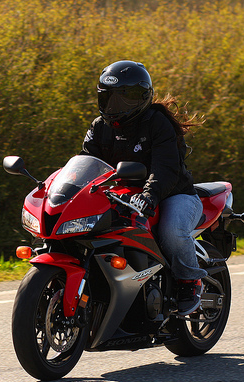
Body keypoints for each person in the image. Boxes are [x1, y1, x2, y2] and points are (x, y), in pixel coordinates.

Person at [80, 60, 207, 316]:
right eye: (109, 97)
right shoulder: (99, 127)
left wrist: (149, 196)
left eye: (123, 98)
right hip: (123, 196)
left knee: (171, 232)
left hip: (173, 194)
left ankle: (189, 282)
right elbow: (84, 163)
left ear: (141, 98)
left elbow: (165, 168)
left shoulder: (157, 123)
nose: (114, 105)